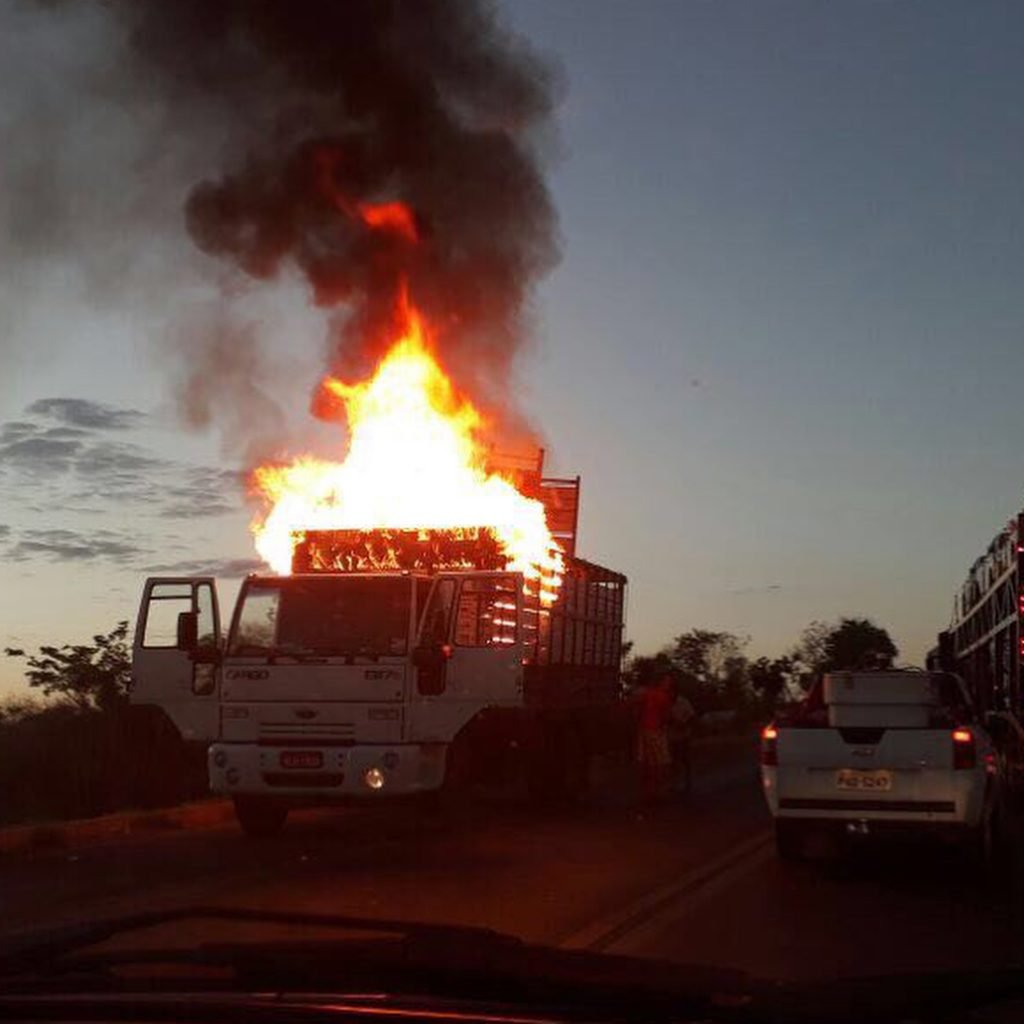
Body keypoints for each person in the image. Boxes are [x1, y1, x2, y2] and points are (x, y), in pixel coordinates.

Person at [636, 673, 676, 802]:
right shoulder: (663, 696)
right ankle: (660, 791)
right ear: (662, 682)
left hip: (644, 729)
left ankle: (649, 791)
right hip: (656, 730)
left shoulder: (647, 694)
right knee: (662, 762)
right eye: (667, 681)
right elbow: (667, 716)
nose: (669, 684)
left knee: (649, 761)